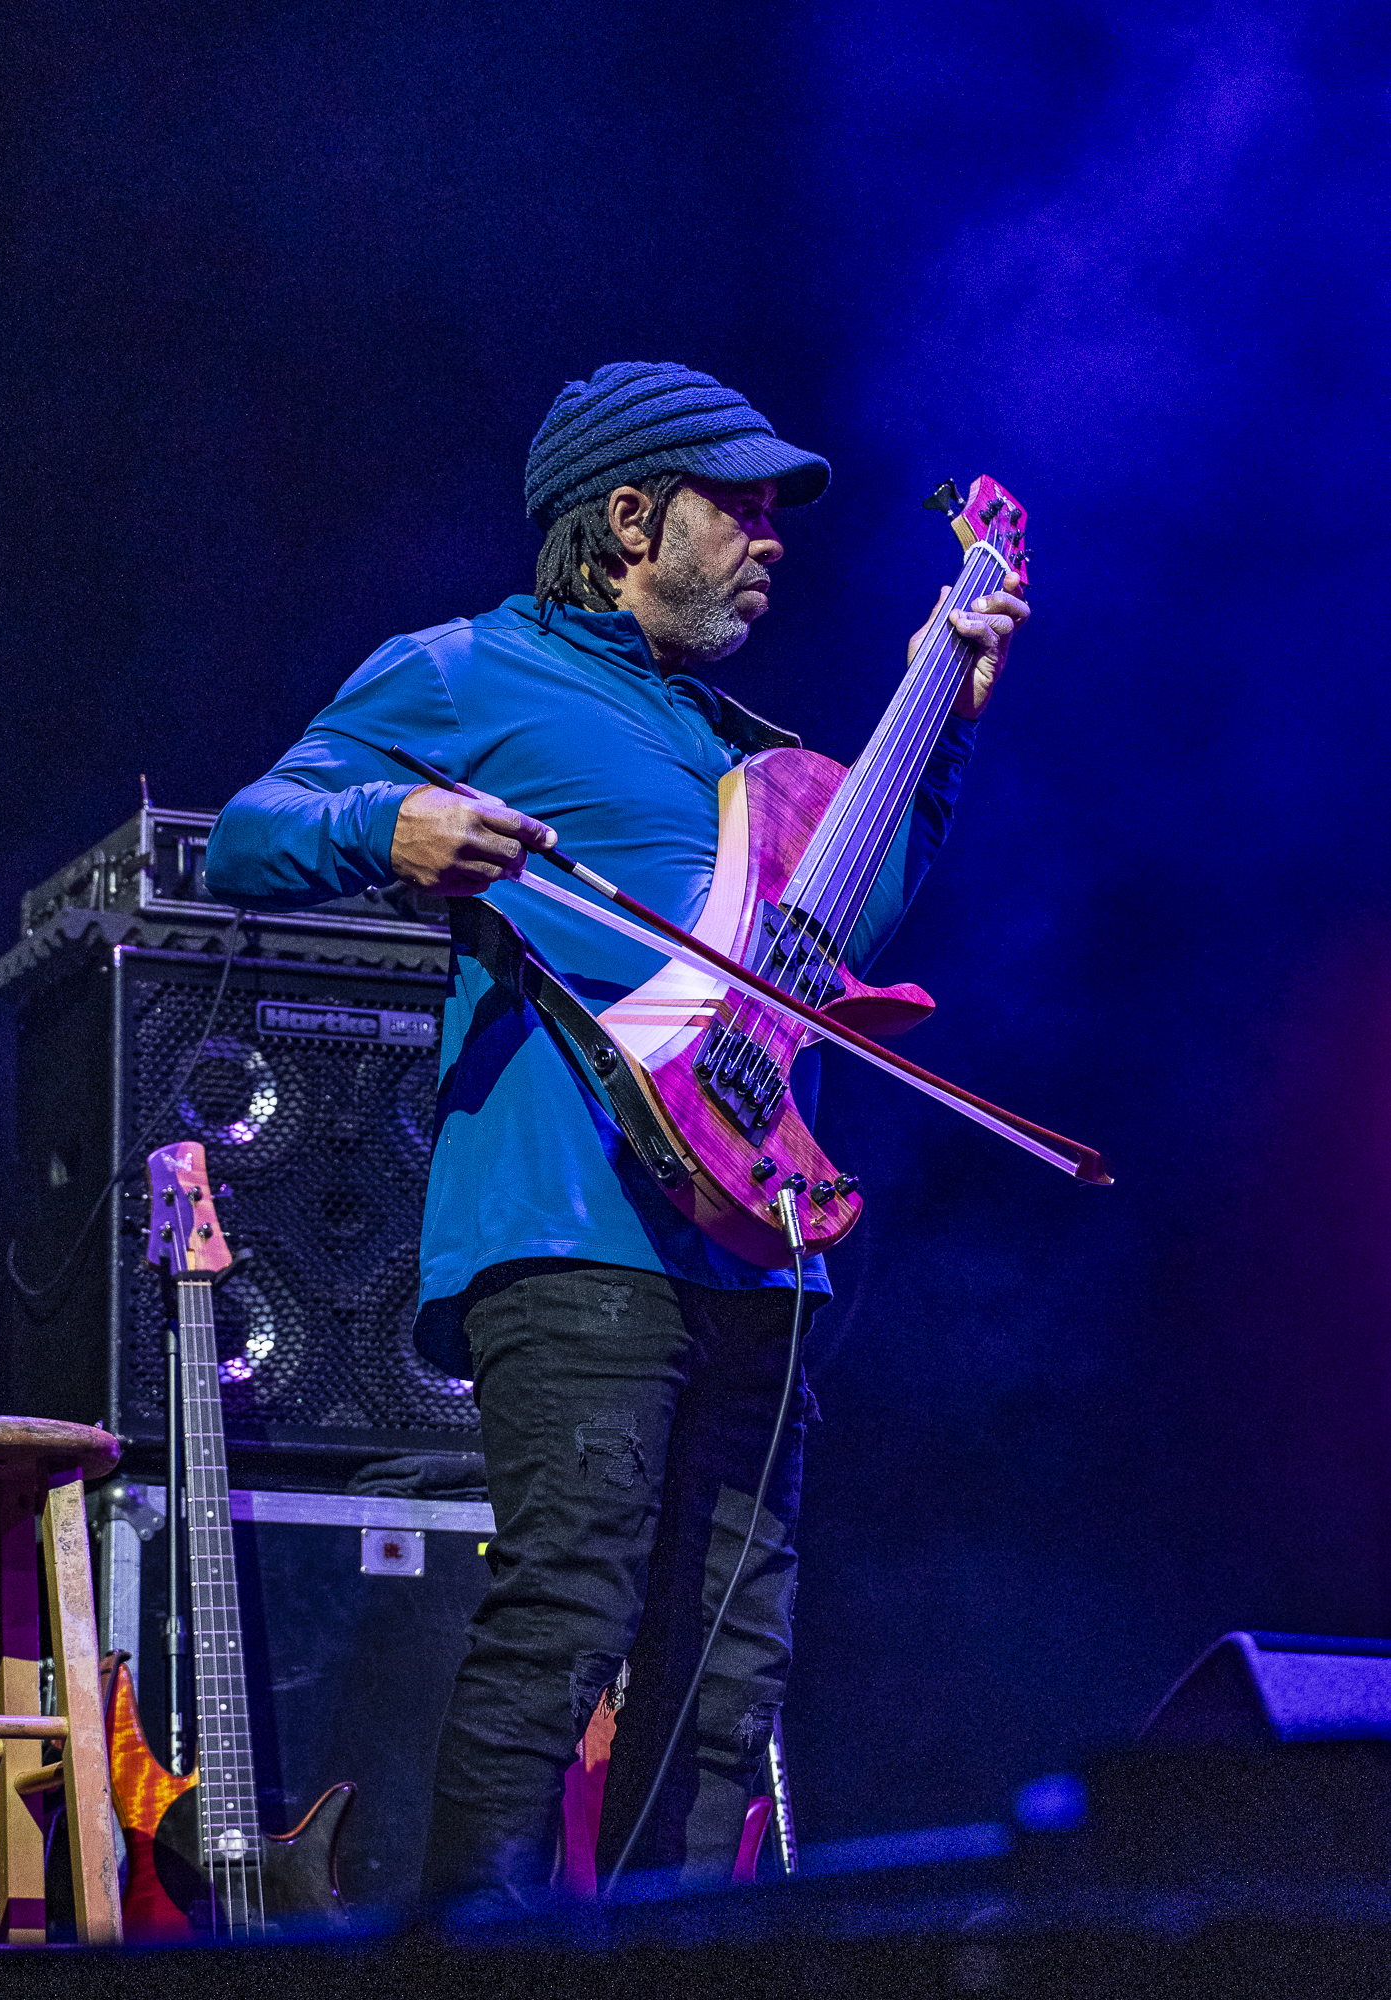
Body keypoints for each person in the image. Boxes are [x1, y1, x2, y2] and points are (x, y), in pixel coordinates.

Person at [205, 360, 1026, 1907]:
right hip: (572, 1220)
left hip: (761, 1237)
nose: (772, 538)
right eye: (741, 506)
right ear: (630, 516)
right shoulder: (461, 672)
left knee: (727, 1675)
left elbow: (848, 924)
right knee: (565, 1612)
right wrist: (385, 827)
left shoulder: (740, 741)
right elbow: (255, 829)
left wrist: (945, 729)